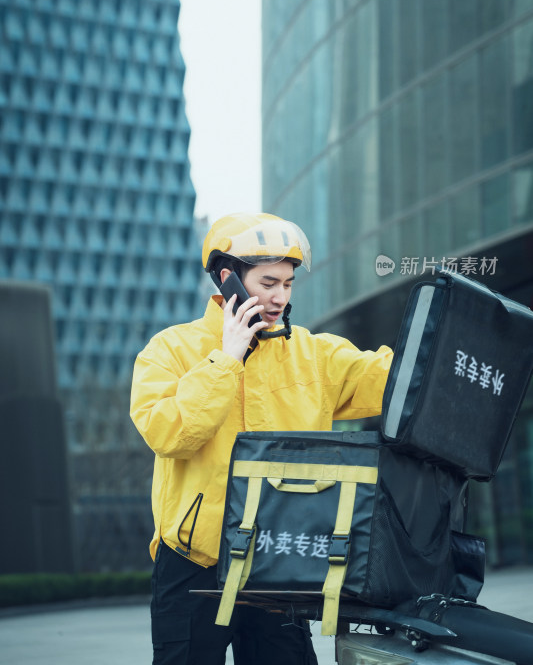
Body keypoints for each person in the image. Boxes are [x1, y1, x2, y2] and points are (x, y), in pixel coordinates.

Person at [130, 213, 393, 665]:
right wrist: (227, 358)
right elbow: (168, 432)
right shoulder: (170, 350)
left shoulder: (314, 354)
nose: (279, 296)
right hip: (195, 560)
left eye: (288, 284)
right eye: (268, 282)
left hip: (278, 559)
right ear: (228, 278)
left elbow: (392, 380)